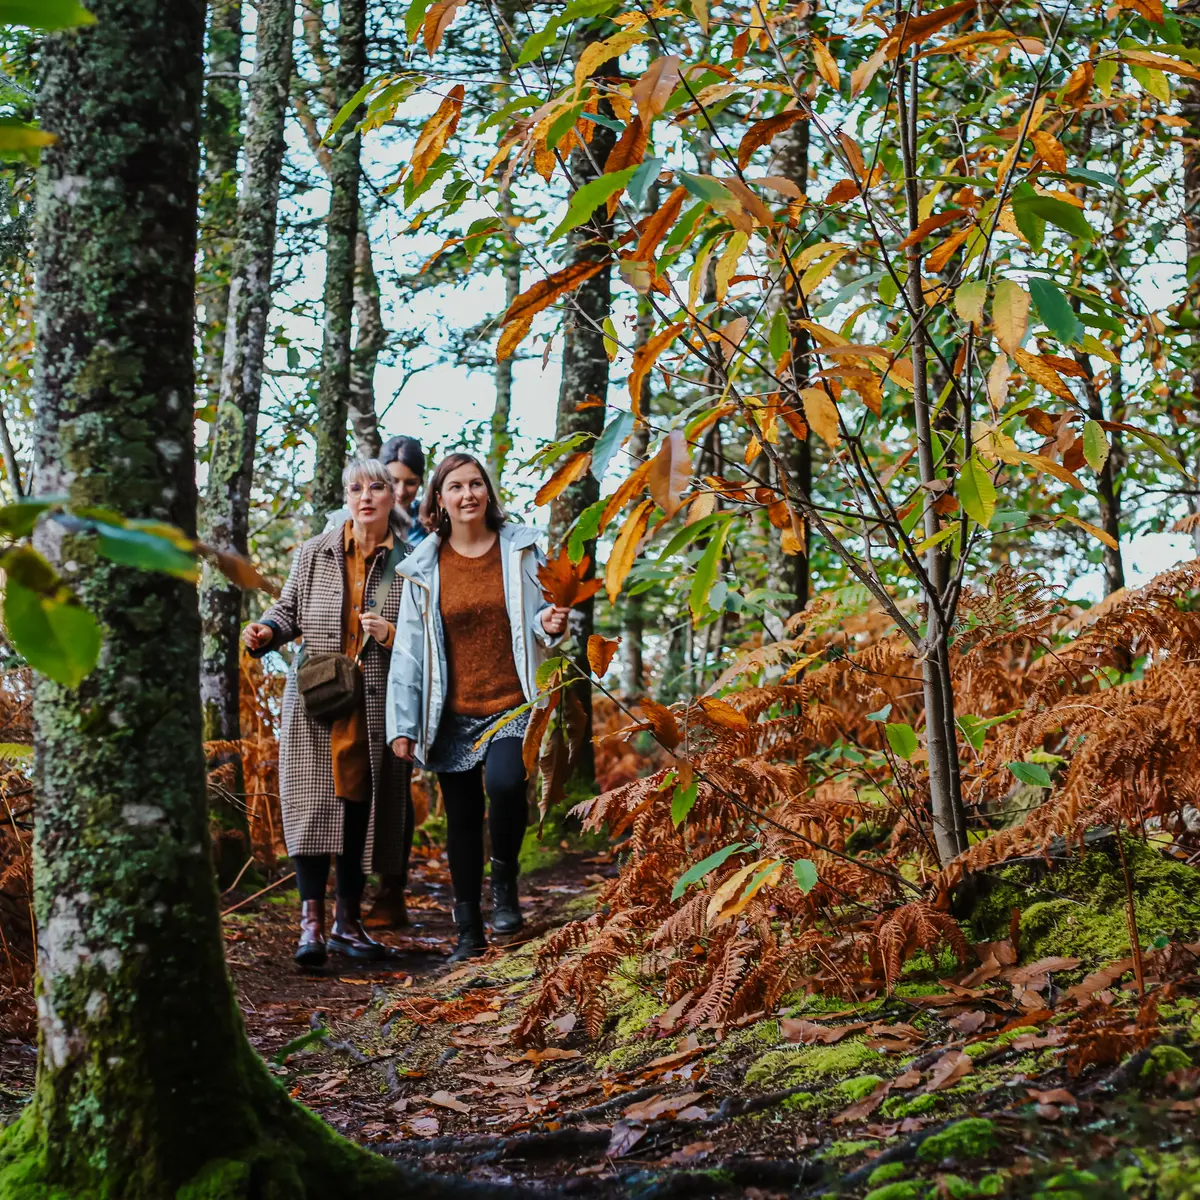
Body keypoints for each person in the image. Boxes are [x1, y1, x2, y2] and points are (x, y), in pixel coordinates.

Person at [386, 453, 569, 961]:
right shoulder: (423, 565)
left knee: (508, 786)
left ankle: (505, 882)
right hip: (451, 712)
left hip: (512, 703)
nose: (467, 495)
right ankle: (468, 929)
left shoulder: (521, 550)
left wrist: (551, 627)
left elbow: (537, 621)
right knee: (464, 817)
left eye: (475, 484)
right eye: (455, 487)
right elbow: (410, 651)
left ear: (488, 492)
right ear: (438, 500)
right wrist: (403, 724)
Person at [243, 459, 410, 967]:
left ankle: (348, 921)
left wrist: (392, 635)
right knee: (311, 806)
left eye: (376, 487)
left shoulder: (410, 561)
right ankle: (311, 924)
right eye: (356, 488)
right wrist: (267, 631)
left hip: (376, 697)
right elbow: (288, 611)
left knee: (362, 808)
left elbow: (427, 638)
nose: (366, 497)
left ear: (391, 497)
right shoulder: (315, 552)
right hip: (317, 698)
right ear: (346, 496)